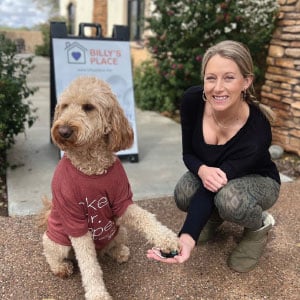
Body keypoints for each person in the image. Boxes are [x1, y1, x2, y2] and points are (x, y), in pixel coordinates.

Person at [147, 40, 281, 273]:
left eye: (229, 77)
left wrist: (186, 236)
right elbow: (188, 154)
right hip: (216, 177)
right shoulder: (192, 100)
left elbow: (215, 186)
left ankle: (259, 226)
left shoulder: (257, 131)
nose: (218, 88)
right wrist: (202, 169)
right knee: (184, 192)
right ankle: (213, 217)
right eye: (211, 78)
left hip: (259, 181)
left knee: (229, 199)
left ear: (246, 82)